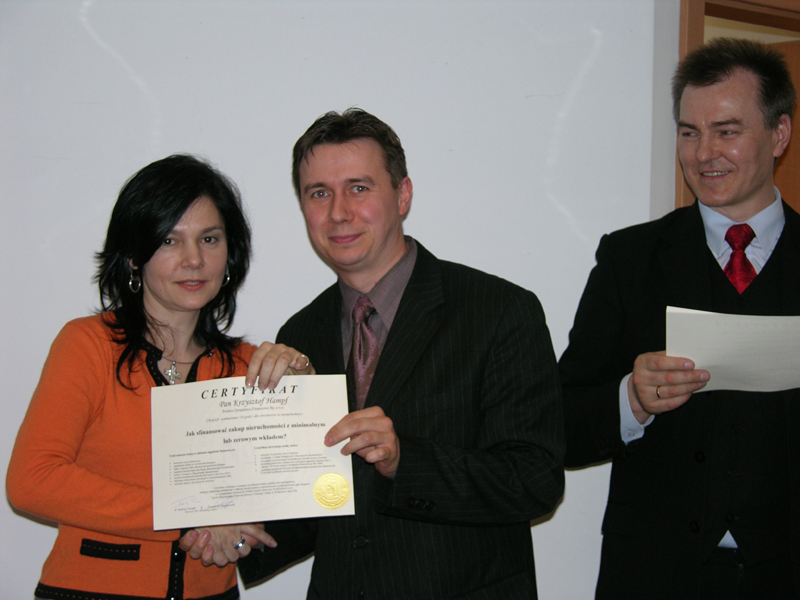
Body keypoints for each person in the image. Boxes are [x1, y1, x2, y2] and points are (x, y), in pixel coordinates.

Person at [205, 108, 566, 599]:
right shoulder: (300, 334)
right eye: (319, 193)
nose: (338, 212)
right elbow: (322, 497)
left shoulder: (498, 310)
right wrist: (242, 532)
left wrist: (404, 461)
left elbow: (535, 481)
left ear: (403, 195)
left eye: (358, 188)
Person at [6, 154, 313, 600]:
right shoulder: (88, 344)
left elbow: (290, 498)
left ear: (230, 254)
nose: (194, 260)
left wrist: (305, 392)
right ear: (134, 256)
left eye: (210, 239)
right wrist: (186, 514)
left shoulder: (251, 367)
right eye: (170, 240)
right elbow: (31, 481)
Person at [558, 38, 798, 599]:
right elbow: (560, 424)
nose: (703, 153)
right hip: (654, 576)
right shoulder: (628, 259)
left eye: (727, 131)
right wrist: (631, 399)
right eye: (689, 132)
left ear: (779, 134)